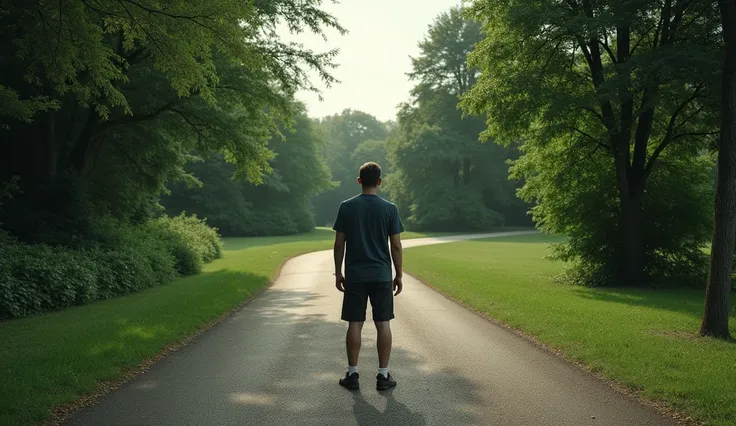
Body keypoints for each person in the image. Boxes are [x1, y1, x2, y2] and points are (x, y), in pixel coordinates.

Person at [333, 162, 404, 391]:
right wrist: (399, 274)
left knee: (355, 323)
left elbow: (339, 243)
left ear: (359, 180)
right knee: (383, 323)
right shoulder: (390, 208)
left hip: (355, 275)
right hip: (382, 275)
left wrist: (338, 273)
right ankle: (383, 376)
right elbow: (395, 246)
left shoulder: (346, 207)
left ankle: (352, 374)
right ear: (380, 182)